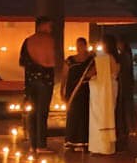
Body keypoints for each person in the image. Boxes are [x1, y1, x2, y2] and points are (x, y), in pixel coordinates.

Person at [18, 18, 56, 151]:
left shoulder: (28, 41)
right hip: (45, 80)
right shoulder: (50, 41)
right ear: (43, 25)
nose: (51, 29)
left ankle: (33, 144)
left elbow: (22, 62)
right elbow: (53, 61)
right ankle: (41, 145)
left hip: (30, 80)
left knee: (32, 112)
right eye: (50, 26)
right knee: (42, 112)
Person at [87, 38, 119, 156]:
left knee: (99, 117)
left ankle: (99, 147)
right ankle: (107, 147)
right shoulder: (113, 58)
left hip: (101, 91)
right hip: (111, 88)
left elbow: (91, 73)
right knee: (108, 114)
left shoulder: (103, 58)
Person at [63, 37, 93, 151]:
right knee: (72, 115)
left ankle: (83, 142)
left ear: (85, 45)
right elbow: (64, 75)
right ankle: (71, 141)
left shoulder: (91, 60)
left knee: (84, 116)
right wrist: (62, 90)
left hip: (85, 91)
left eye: (81, 45)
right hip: (72, 91)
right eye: (77, 45)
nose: (79, 47)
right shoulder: (70, 60)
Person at [110, 34, 137, 152]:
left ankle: (123, 134)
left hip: (123, 86)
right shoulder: (127, 56)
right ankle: (125, 133)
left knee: (122, 111)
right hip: (126, 86)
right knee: (124, 111)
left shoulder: (123, 57)